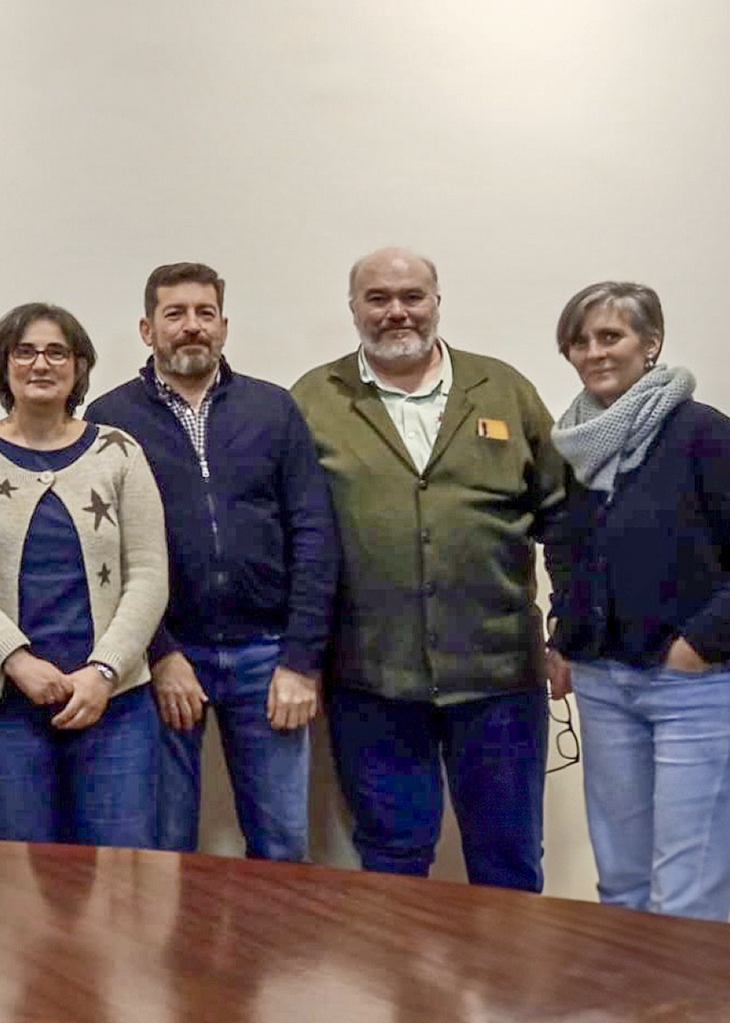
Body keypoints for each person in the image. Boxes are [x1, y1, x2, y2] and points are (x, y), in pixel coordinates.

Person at [291, 246, 565, 891]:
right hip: (370, 677)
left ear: (437, 302)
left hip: (499, 676)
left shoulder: (503, 389)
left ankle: (506, 964)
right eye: (378, 298)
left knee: (508, 856)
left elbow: (565, 519)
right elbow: (293, 533)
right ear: (353, 308)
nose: (397, 312)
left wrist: (568, 631)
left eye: (412, 296)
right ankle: (403, 967)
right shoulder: (314, 399)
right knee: (392, 859)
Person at [84, 262, 338, 859]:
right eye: (175, 313)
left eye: (205, 313)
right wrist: (160, 653)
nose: (192, 326)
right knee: (164, 849)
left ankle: (272, 932)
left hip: (268, 655)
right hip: (166, 658)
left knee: (281, 845)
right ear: (147, 329)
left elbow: (314, 533)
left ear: (224, 325)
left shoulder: (272, 409)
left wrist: (301, 660)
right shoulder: (110, 419)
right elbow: (104, 552)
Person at [0, 302, 168, 846]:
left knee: (119, 872)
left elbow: (150, 573)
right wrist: (17, 661)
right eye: (25, 351)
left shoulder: (119, 452)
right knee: (16, 875)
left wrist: (103, 671)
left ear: (79, 367)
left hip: (113, 706)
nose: (41, 363)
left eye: (58, 352)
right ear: (3, 365)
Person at [544, 281, 730, 920]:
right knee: (620, 882)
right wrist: (564, 636)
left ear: (650, 344)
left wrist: (698, 645)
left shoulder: (703, 433)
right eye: (580, 341)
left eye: (610, 336)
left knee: (687, 892)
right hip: (603, 683)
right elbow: (565, 551)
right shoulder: (574, 442)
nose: (594, 352)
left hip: (692, 687)